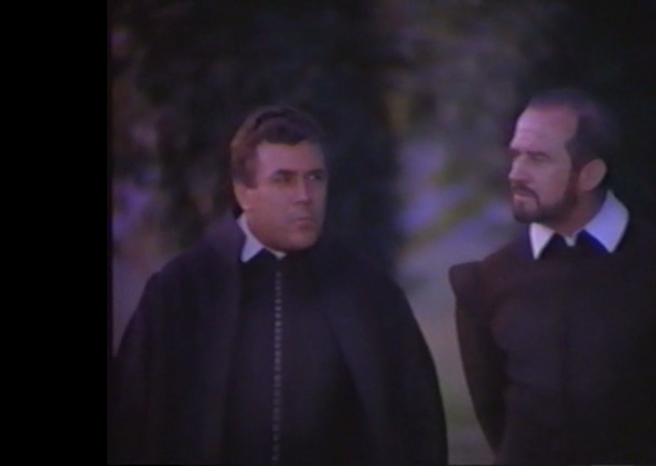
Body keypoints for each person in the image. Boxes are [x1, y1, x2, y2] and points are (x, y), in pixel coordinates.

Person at [108, 105, 448, 465]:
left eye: (315, 177)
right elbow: (130, 427)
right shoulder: (181, 292)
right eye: (283, 179)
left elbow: (418, 432)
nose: (304, 195)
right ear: (244, 192)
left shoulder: (369, 295)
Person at [449, 88, 656, 465]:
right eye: (515, 155)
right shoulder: (486, 281)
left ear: (589, 174)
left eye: (537, 158)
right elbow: (496, 415)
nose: (516, 173)